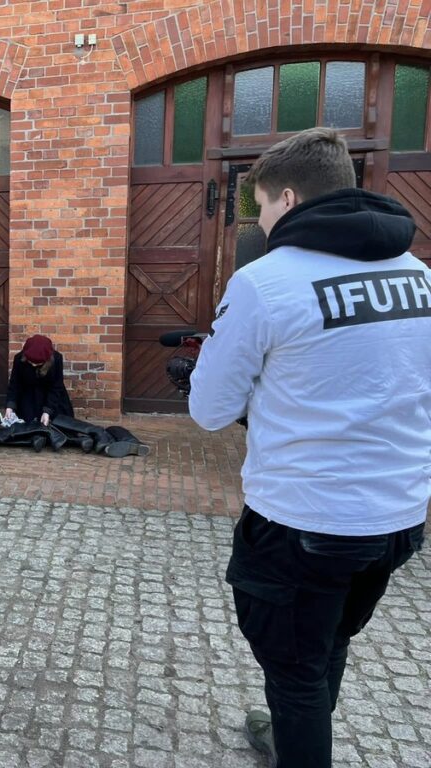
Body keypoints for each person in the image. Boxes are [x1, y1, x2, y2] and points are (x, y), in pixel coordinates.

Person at [188, 127, 429, 768]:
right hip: (399, 517)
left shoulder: (266, 281)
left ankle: (296, 738)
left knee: (294, 673)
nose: (261, 223)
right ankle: (298, 732)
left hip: (304, 521)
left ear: (288, 199)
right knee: (328, 645)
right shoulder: (419, 277)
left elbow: (210, 411)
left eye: (261, 207)